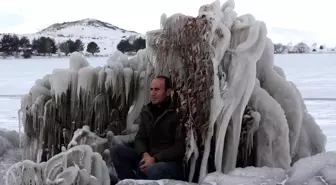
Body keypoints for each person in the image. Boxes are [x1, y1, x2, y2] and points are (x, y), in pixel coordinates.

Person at [110, 76, 186, 183]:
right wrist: (145, 155)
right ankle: (130, 182)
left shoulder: (175, 113)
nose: (152, 93)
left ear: (168, 92)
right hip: (147, 157)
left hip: (168, 163)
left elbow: (179, 147)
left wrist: (155, 159)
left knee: (154, 169)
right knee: (117, 151)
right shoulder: (147, 112)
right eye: (151, 89)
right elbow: (140, 138)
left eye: (157, 89)